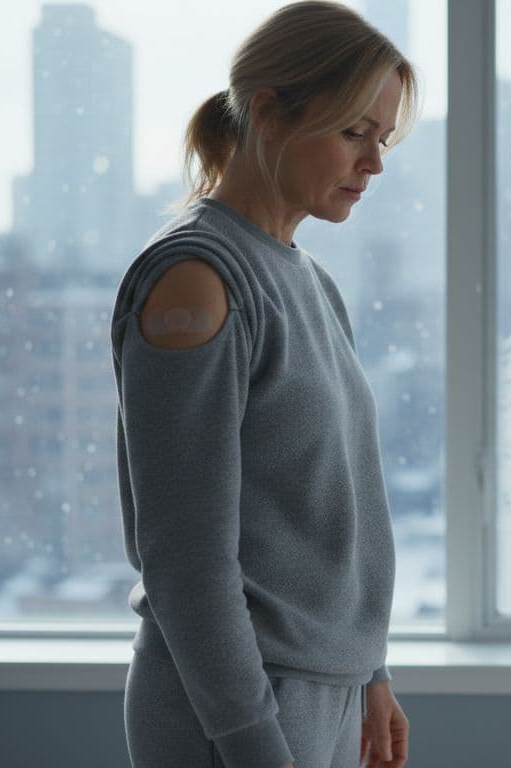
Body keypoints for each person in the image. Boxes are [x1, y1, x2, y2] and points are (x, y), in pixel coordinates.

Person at [113, 2, 418, 766]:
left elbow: (326, 502)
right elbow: (185, 557)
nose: (374, 163)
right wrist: (252, 741)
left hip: (317, 696)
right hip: (236, 712)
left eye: (382, 140)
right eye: (354, 133)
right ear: (268, 113)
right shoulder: (198, 279)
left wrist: (367, 672)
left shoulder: (309, 280)